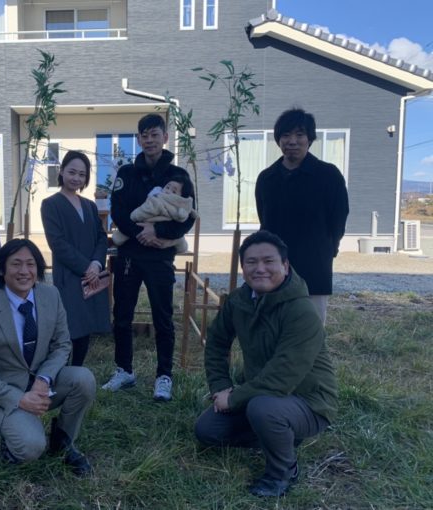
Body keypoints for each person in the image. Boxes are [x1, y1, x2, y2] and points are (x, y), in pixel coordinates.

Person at [194, 230, 337, 497]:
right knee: (208, 430)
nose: (260, 268)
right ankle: (281, 434)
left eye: (269, 261)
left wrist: (234, 398)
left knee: (264, 409)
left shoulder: (302, 311)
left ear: (285, 265)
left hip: (309, 401)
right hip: (262, 393)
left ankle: (283, 471)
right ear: (243, 267)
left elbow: (282, 377)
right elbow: (216, 342)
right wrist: (221, 387)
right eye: (251, 262)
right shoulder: (239, 300)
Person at [0, 239, 96, 475]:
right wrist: (19, 399)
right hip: (5, 394)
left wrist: (44, 378)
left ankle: (63, 440)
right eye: (16, 264)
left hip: (42, 386)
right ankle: (15, 435)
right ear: (2, 270)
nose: (24, 271)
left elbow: (61, 345)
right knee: (30, 448)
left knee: (83, 379)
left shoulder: (51, 295)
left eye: (30, 264)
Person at [102, 113, 196, 402]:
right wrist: (140, 232)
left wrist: (159, 231)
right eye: (144, 135)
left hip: (160, 255)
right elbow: (117, 210)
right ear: (139, 139)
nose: (149, 140)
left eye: (155, 134)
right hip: (129, 254)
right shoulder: (127, 173)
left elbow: (188, 216)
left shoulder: (178, 175)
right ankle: (124, 370)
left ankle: (163, 376)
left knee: (163, 317)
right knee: (122, 315)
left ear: (165, 137)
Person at [255, 108, 349, 324]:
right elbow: (264, 219)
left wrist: (329, 247)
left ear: (310, 139)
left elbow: (338, 219)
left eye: (299, 135)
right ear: (278, 140)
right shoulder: (267, 178)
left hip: (314, 261)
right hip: (275, 263)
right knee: (273, 324)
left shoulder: (328, 175)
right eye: (286, 135)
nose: (292, 141)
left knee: (311, 326)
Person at [40, 150, 111, 366]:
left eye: (82, 174)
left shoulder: (90, 206)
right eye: (72, 172)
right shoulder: (50, 204)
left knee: (87, 324)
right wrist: (86, 267)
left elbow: (101, 237)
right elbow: (57, 242)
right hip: (69, 274)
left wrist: (96, 264)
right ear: (61, 172)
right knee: (69, 326)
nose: (76, 178)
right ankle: (58, 371)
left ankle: (77, 369)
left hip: (92, 274)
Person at [111, 173, 197, 253]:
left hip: (163, 244)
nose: (168, 191)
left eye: (174, 191)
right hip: (140, 237)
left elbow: (187, 219)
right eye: (167, 187)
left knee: (170, 241)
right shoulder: (157, 196)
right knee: (175, 241)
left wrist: (156, 229)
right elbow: (119, 212)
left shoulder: (164, 200)